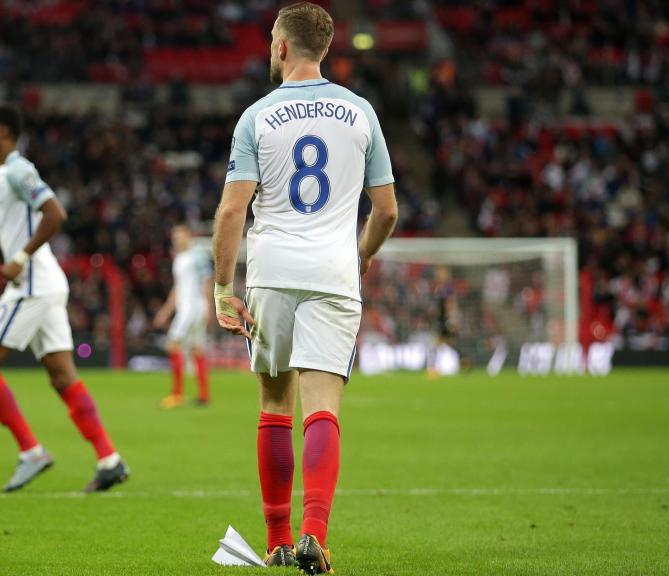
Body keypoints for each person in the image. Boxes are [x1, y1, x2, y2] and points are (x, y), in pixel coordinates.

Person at [211, 3, 398, 573]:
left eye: (272, 40)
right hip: (334, 275)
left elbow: (229, 213)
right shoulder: (360, 112)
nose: (270, 49)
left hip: (272, 274)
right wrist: (361, 254)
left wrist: (223, 287)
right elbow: (386, 210)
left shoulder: (257, 117)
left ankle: (277, 542)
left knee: (274, 407)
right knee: (324, 410)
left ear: (284, 47)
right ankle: (316, 532)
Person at [0, 105, 129, 493]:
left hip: (32, 285)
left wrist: (19, 258)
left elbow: (54, 213)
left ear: (2, 131)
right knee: (62, 375)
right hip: (46, 282)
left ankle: (31, 452)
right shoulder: (4, 175)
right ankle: (109, 460)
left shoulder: (17, 169)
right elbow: (21, 229)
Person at [153, 224, 213, 408]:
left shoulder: (198, 255)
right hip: (186, 308)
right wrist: (166, 310)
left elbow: (207, 281)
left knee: (173, 345)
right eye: (174, 236)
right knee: (196, 349)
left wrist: (209, 308)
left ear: (189, 235)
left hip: (193, 308)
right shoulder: (179, 258)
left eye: (180, 235)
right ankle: (204, 395)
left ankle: (177, 395)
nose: (177, 239)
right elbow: (178, 289)